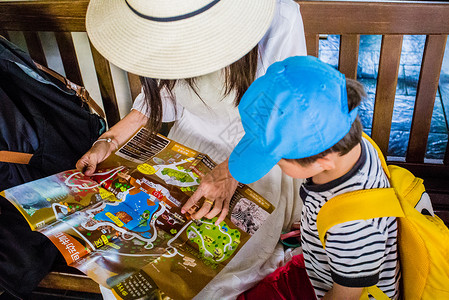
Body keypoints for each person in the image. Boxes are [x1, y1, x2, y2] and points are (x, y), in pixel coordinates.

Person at [77, 0, 307, 298]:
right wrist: (107, 142)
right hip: (185, 148)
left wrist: (230, 171)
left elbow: (283, 113)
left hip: (254, 153)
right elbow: (158, 98)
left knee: (210, 275)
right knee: (124, 263)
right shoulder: (156, 12)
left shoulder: (281, 16)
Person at [228, 56, 401, 299]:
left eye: (278, 160)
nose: (275, 166)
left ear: (322, 162)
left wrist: (328, 227)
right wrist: (316, 226)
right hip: (321, 264)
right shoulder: (349, 141)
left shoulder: (350, 230)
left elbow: (346, 296)